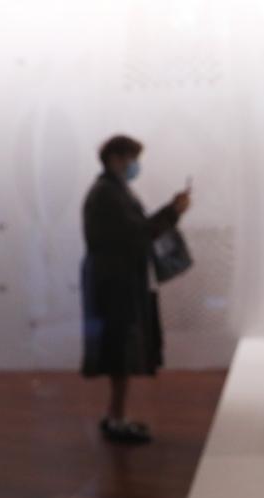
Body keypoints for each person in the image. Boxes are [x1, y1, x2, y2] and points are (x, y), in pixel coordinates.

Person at [80, 135, 191, 443]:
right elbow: (137, 233)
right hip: (114, 284)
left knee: (121, 349)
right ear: (116, 158)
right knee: (119, 349)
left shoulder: (113, 190)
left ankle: (116, 416)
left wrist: (171, 211)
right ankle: (116, 419)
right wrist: (172, 211)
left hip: (117, 280)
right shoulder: (107, 193)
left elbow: (136, 231)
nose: (134, 165)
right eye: (132, 158)